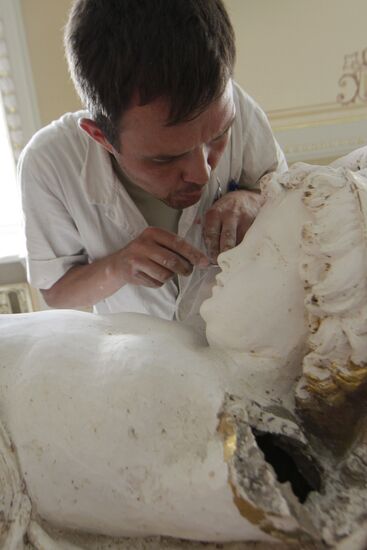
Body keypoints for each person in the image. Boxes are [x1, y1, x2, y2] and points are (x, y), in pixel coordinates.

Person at [2, 159, 367, 549]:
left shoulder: (217, 426)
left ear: (317, 303)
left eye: (259, 252)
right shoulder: (202, 362)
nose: (228, 258)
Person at [18, 0, 287, 322]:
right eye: (165, 159)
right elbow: (56, 292)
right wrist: (118, 267)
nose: (202, 174)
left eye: (219, 137)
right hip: (138, 359)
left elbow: (289, 201)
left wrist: (253, 200)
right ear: (100, 137)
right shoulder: (49, 163)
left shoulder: (239, 108)